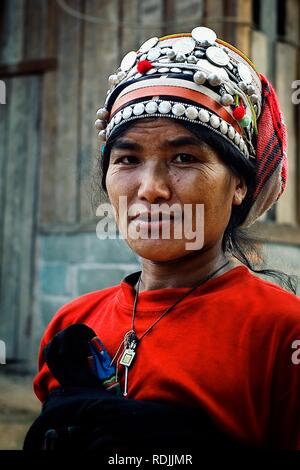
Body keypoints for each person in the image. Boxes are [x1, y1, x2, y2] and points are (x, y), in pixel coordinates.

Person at [30, 26, 300, 451]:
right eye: (129, 159)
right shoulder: (72, 326)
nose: (151, 188)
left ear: (239, 186)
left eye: (184, 157)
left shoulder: (283, 335)